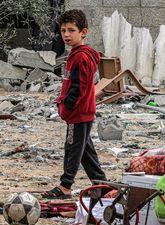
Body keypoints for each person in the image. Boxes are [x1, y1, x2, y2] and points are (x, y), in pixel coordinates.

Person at [43, 9, 106, 199]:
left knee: (72, 149)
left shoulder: (81, 56)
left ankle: (65, 186)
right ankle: (102, 184)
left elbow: (79, 88)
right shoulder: (77, 54)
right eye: (63, 30)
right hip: (83, 112)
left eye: (71, 30)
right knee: (85, 150)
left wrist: (66, 106)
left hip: (78, 113)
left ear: (83, 32)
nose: (66, 35)